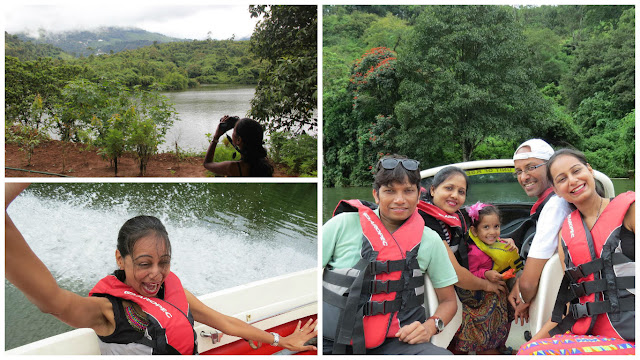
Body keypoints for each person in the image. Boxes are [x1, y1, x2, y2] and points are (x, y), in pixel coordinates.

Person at [5, 183, 315, 355]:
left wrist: (280, 341)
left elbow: (223, 321)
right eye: (144, 264)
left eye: (163, 263)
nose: (156, 273)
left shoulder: (170, 291)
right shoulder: (106, 310)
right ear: (120, 259)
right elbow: (51, 301)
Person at [322, 155, 458, 355]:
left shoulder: (430, 240)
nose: (400, 200)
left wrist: (430, 327)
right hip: (331, 340)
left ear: (418, 196)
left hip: (398, 344)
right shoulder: (341, 225)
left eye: (408, 191)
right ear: (376, 195)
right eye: (390, 191)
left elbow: (449, 301)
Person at [517, 149, 635, 355]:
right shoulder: (566, 235)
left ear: (590, 171)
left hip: (631, 337)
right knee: (527, 351)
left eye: (576, 171)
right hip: (589, 336)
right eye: (562, 179)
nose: (572, 181)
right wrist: (528, 346)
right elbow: (574, 301)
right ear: (556, 190)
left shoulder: (631, 211)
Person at [507, 139, 571, 325]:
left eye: (531, 167)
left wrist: (523, 297)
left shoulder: (555, 206)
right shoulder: (558, 201)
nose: (524, 177)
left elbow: (528, 284)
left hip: (554, 297)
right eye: (519, 171)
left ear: (551, 167)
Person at [451, 202, 520, 354]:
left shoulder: (496, 243)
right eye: (486, 227)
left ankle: (499, 346)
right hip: (482, 297)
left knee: (502, 325)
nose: (493, 232)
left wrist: (510, 244)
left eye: (496, 226)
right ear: (474, 231)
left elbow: (503, 248)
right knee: (489, 332)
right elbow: (469, 274)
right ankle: (487, 350)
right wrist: (486, 274)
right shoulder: (475, 252)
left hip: (498, 296)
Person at [203, 115, 274, 177]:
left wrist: (216, 137)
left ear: (238, 140)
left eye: (234, 131)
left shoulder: (232, 168)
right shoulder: (265, 165)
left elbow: (207, 163)